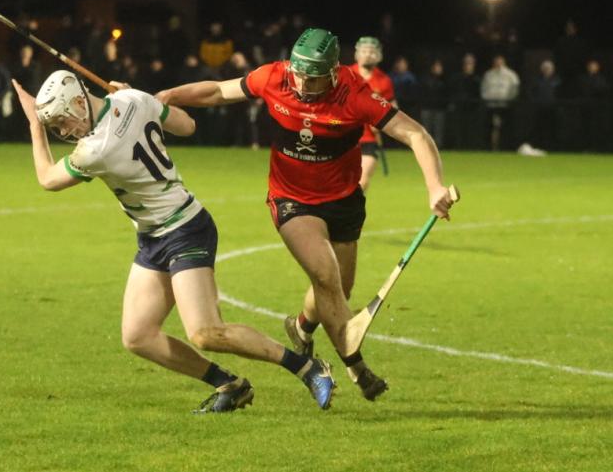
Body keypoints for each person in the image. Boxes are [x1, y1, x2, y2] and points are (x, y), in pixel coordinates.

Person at [156, 28, 456, 402]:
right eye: (299, 74)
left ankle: (301, 326)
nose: (302, 83)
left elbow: (415, 133)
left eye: (312, 77)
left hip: (344, 200)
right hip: (291, 200)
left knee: (337, 289)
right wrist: (167, 96)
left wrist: (434, 186)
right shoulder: (275, 76)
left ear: (332, 73)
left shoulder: (355, 94)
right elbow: (218, 91)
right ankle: (356, 367)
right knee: (325, 274)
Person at [11, 70, 336, 413]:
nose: (63, 131)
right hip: (154, 236)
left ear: (79, 101)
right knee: (138, 336)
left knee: (206, 332)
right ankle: (229, 385)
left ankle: (306, 366)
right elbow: (187, 126)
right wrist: (139, 100)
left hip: (184, 229)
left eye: (63, 120)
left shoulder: (94, 150)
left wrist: (34, 124)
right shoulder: (133, 99)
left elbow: (47, 178)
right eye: (54, 126)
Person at [349, 37, 397, 191]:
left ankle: (352, 212)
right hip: (345, 136)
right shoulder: (346, 74)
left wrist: (381, 124)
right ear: (357, 54)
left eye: (371, 51)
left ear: (378, 55)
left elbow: (392, 109)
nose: (368, 55)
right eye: (364, 51)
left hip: (369, 139)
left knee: (361, 181)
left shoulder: (384, 81)